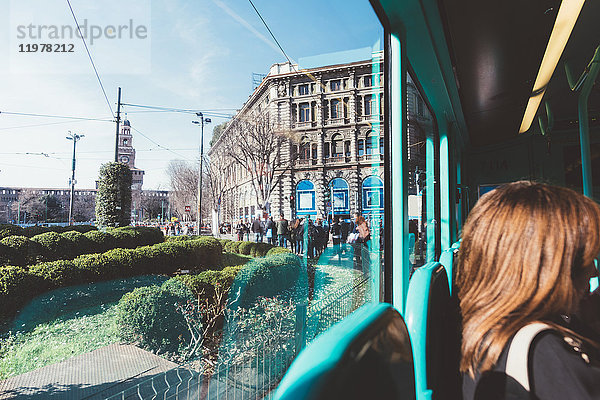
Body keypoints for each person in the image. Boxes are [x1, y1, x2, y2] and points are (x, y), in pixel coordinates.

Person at [457, 181, 600, 400]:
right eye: (582, 261)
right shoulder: (546, 353)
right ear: (546, 267)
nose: (594, 273)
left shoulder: (492, 335)